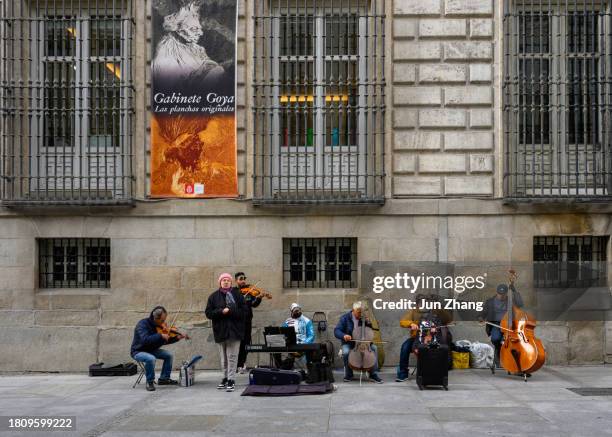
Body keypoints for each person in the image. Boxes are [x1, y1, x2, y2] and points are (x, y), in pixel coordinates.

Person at [396, 294, 452, 382]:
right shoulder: (414, 311)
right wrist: (411, 324)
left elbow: (448, 319)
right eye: (420, 303)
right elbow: (403, 321)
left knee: (442, 348)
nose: (423, 305)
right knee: (405, 347)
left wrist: (438, 308)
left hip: (434, 337)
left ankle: (438, 372)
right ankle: (403, 373)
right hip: (417, 338)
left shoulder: (436, 310)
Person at [205, 273, 246, 392]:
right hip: (220, 331)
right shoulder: (213, 297)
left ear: (231, 282)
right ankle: (224, 378)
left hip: (235, 331)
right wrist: (221, 311)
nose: (226, 282)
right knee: (223, 358)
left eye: (228, 280)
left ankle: (231, 379)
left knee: (232, 357)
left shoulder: (237, 295)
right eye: (223, 280)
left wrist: (232, 311)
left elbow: (244, 312)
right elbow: (208, 313)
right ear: (220, 282)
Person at [130, 306, 187, 391]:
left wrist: (176, 338)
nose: (164, 323)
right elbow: (145, 340)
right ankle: (150, 382)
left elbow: (163, 341)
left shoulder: (158, 327)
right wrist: (160, 335)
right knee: (151, 358)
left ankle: (164, 379)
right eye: (162, 320)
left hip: (151, 350)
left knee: (169, 355)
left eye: (164, 320)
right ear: (155, 318)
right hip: (138, 351)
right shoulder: (142, 324)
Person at [334, 301, 383, 384]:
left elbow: (369, 332)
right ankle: (349, 374)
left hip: (364, 343)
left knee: (374, 348)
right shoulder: (345, 318)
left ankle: (373, 374)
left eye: (361, 312)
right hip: (349, 343)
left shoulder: (364, 318)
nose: (360, 314)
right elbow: (337, 330)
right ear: (353, 310)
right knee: (346, 352)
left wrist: (369, 323)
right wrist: (344, 335)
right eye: (358, 312)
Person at [480, 282, 524, 368]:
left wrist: (514, 290)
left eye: (503, 294)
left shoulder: (510, 301)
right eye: (499, 294)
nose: (501, 296)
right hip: (496, 324)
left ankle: (516, 362)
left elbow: (520, 303)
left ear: (506, 293)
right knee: (496, 339)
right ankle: (498, 352)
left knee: (516, 342)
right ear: (497, 293)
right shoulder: (490, 302)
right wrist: (481, 317)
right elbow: (483, 312)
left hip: (510, 325)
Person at [235, 272, 262, 374]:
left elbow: (254, 304)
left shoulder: (250, 292)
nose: (243, 280)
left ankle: (242, 364)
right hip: (237, 322)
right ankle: (236, 364)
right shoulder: (234, 291)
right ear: (236, 280)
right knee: (237, 343)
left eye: (244, 278)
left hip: (247, 321)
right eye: (240, 279)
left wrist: (259, 298)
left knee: (245, 343)